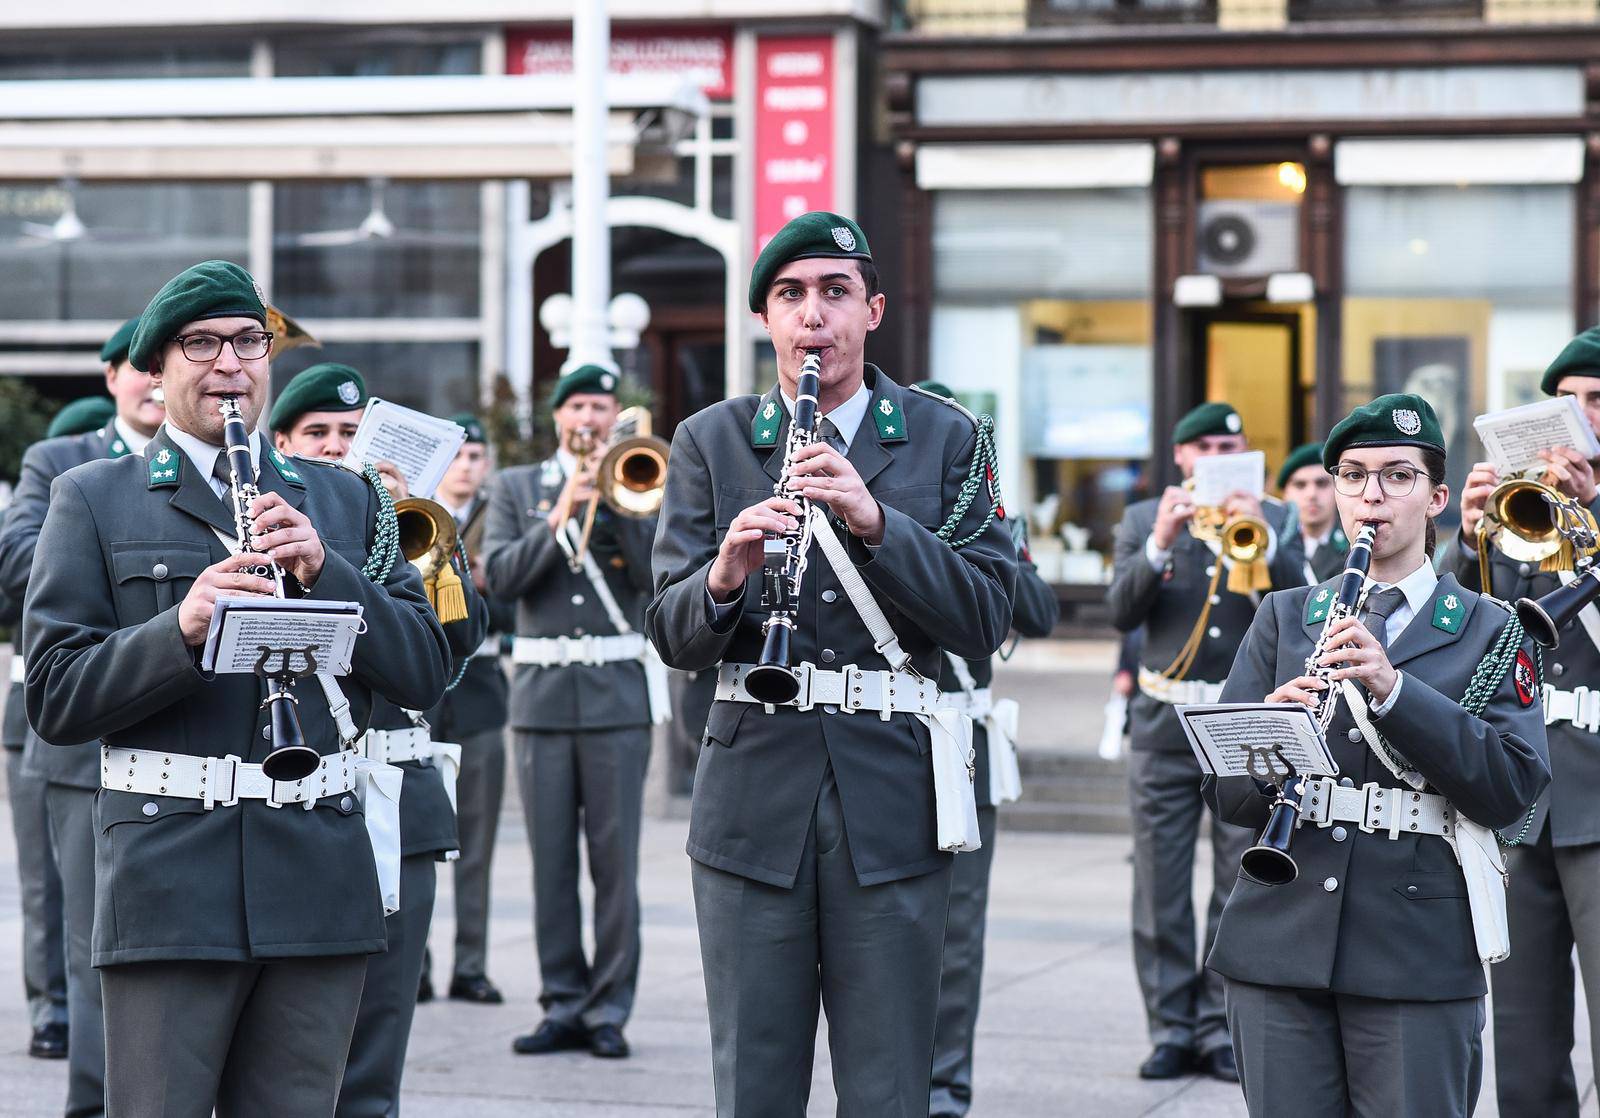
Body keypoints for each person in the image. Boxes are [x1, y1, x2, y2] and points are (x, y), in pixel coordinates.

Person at [23, 260, 451, 1116]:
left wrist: (330, 570)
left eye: (249, 341)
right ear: (157, 367)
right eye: (202, 344)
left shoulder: (346, 500)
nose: (231, 363)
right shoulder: (94, 499)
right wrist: (179, 627)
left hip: (319, 874)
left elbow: (423, 671)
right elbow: (58, 698)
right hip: (171, 876)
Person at [646, 211, 1017, 1117]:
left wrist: (880, 523)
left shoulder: (946, 437)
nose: (814, 316)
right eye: (790, 295)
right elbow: (671, 633)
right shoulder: (710, 439)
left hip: (891, 794)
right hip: (752, 792)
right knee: (754, 1081)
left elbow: (987, 617)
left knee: (890, 1084)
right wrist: (724, 577)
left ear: (874, 309)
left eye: (835, 293)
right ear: (767, 320)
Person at [1204, 393, 1550, 1116]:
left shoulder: (1491, 629)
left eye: (1397, 476)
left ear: (1438, 498)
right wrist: (1266, 738)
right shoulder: (1284, 616)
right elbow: (1229, 801)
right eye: (1354, 475)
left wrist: (1395, 691)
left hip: (1414, 951)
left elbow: (1514, 791)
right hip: (1278, 940)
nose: (1372, 495)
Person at [267, 366, 488, 1118]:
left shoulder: (403, 522)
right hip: (301, 799)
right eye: (318, 435)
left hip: (401, 801)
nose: (336, 447)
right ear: (282, 446)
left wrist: (424, 539)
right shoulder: (265, 524)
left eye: (348, 436)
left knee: (380, 1044)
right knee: (291, 1053)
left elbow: (457, 643)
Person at [1107, 401, 1306, 1082]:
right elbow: (1120, 610)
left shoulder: (1275, 517)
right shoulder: (1142, 519)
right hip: (1163, 728)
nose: (1220, 454)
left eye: (1232, 442)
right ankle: (1168, 1028)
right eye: (1207, 445)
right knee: (1159, 888)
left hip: (1242, 733)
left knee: (1236, 884)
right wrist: (1162, 541)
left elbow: (1303, 609)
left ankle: (1222, 1030)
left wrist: (1267, 538)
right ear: (1183, 457)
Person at [1, 318, 163, 1114]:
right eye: (140, 366)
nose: (155, 381)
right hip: (77, 734)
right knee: (84, 933)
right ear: (111, 377)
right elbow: (14, 566)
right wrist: (113, 537)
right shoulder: (60, 462)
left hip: (176, 733)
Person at [1438, 326, 1600, 1118]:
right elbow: (1449, 636)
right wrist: (1469, 543)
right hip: (1525, 800)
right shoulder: (1522, 511)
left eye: (1596, 402)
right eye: (1564, 404)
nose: (1579, 420)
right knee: (1526, 1044)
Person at [483, 362, 663, 1061]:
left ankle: (610, 1008)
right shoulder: (516, 487)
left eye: (601, 406)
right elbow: (499, 578)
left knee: (616, 866)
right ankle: (562, 1002)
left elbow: (659, 577)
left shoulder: (639, 481)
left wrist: (619, 506)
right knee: (551, 864)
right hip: (542, 699)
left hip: (617, 696)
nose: (589, 418)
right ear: (559, 416)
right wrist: (562, 515)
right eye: (578, 405)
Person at [916, 379, 1060, 1118]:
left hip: (962, 737)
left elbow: (1036, 615)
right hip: (889, 730)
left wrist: (999, 534)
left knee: (958, 933)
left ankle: (945, 1086)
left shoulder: (988, 519)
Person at [417, 413, 513, 1006]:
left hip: (479, 696)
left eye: (476, 456)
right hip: (422, 697)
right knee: (418, 840)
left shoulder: (497, 517)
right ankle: (418, 963)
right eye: (458, 456)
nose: (467, 466)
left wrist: (483, 586)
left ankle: (470, 965)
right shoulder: (414, 514)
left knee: (476, 845)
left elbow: (519, 604)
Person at [1279, 441, 1349, 584]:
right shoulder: (1274, 545)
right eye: (1300, 485)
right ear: (1284, 493)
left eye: (1321, 483)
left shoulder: (1354, 546)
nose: (1311, 494)